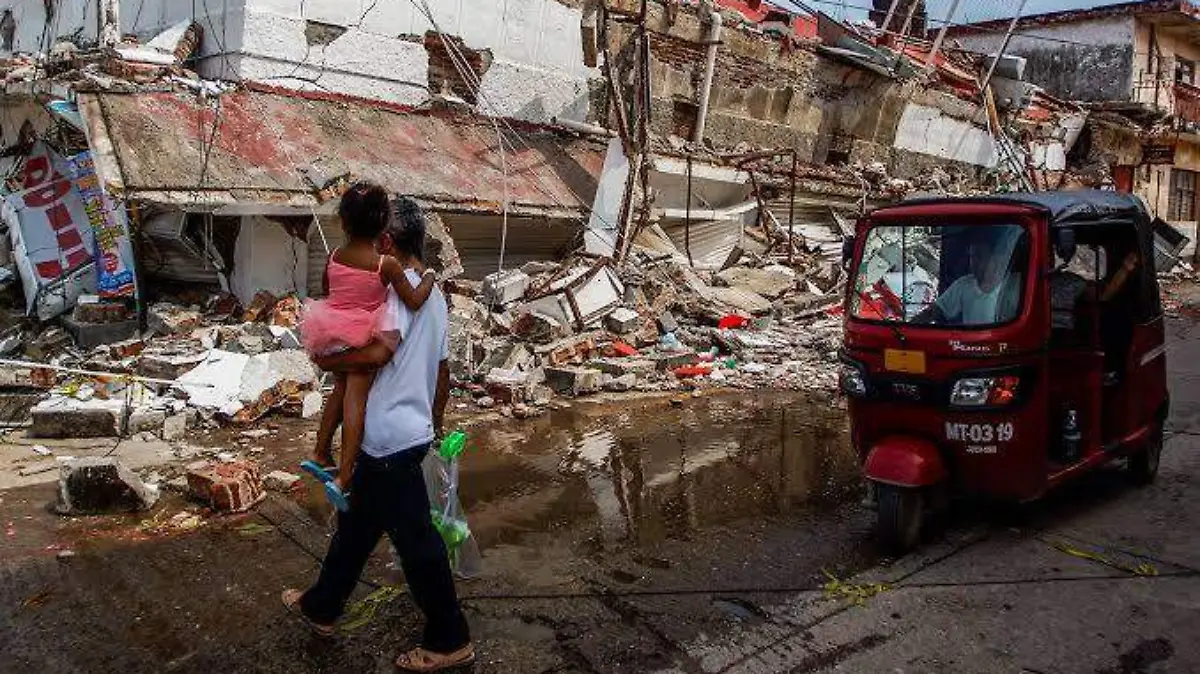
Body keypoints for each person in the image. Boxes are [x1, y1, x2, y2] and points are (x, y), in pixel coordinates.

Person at [283, 196, 473, 673]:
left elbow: (375, 355)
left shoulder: (391, 294)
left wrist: (325, 361)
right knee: (356, 529)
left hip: (386, 436)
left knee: (418, 544)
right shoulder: (435, 298)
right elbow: (443, 372)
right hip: (401, 432)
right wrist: (434, 424)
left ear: (387, 241)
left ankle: (450, 638)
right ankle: (322, 606)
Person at [301, 182, 437, 497]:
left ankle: (321, 451)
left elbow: (328, 290)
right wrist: (428, 274)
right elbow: (414, 300)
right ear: (383, 225)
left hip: (330, 331)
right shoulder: (384, 264)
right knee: (355, 403)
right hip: (362, 335)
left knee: (338, 388)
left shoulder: (334, 256)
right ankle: (345, 476)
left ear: (343, 221)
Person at [923, 233, 1021, 326]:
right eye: (972, 256)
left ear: (995, 258)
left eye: (979, 256)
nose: (973, 262)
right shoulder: (963, 285)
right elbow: (936, 311)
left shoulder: (1015, 284)